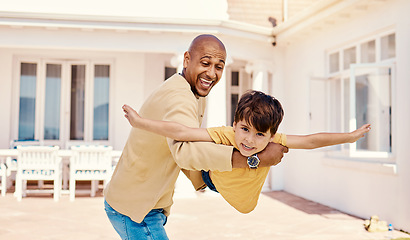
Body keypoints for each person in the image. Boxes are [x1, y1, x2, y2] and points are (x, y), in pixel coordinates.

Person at [104, 34, 288, 240]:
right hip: (136, 209)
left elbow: (180, 144)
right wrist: (255, 160)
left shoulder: (192, 91)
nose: (211, 73)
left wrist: (206, 179)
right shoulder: (181, 97)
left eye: (219, 67)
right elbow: (185, 152)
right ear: (186, 60)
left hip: (143, 203)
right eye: (205, 63)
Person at [122, 90, 371, 214]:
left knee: (272, 150)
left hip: (243, 200)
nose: (249, 140)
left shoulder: (276, 140)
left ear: (271, 134)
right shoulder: (227, 134)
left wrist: (349, 137)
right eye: (244, 129)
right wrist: (140, 122)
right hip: (213, 178)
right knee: (191, 144)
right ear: (235, 124)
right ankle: (196, 178)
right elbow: (182, 131)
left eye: (260, 134)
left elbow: (310, 141)